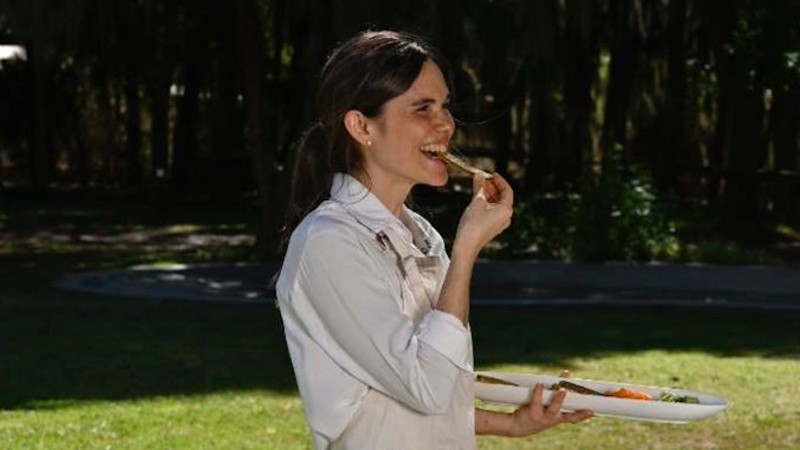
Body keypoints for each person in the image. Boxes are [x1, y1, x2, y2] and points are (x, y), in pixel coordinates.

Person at [275, 30, 592, 450]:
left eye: (444, 106)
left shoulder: (421, 235)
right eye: (422, 108)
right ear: (361, 126)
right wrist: (466, 251)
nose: (445, 124)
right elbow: (425, 387)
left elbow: (423, 392)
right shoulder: (328, 243)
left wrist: (512, 424)